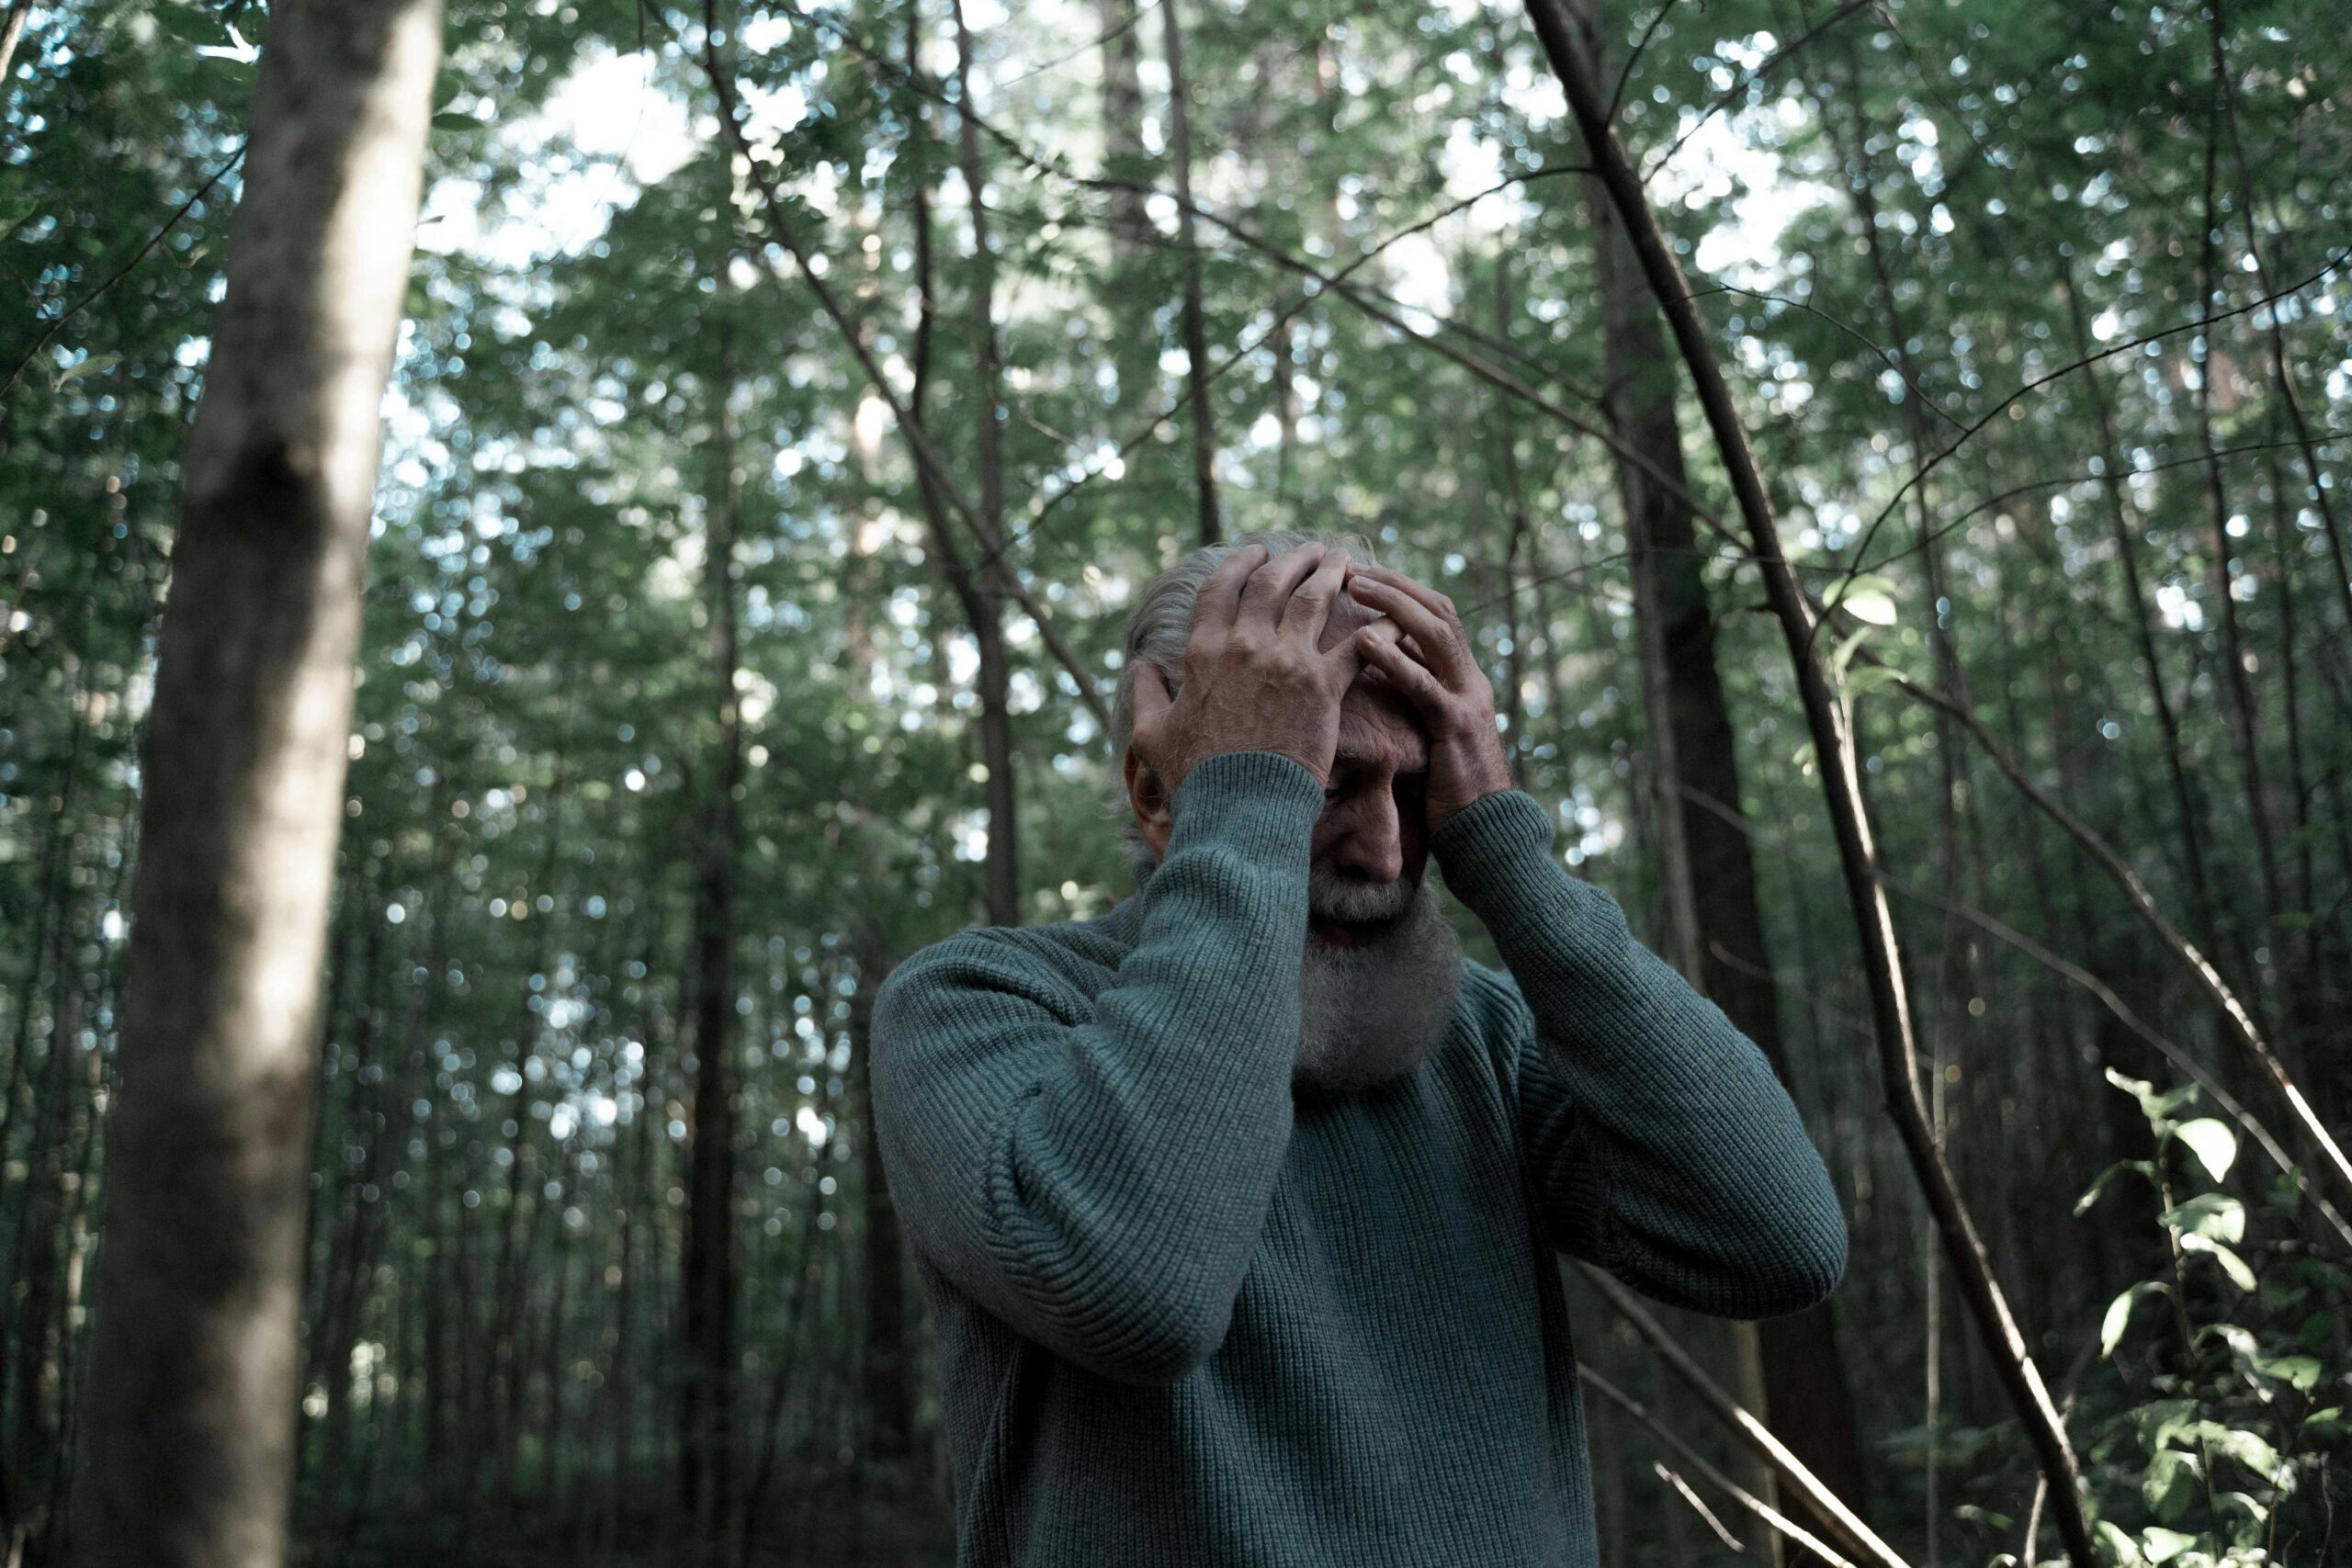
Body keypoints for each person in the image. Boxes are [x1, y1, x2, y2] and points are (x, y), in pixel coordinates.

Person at [870, 531, 1848, 1566]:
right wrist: (1249, 799)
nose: (1385, 853)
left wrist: (1503, 844)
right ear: (1158, 794)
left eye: (1414, 791)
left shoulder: (1480, 1041)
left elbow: (1777, 1241)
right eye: (1331, 781)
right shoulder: (980, 1006)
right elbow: (1137, 1290)